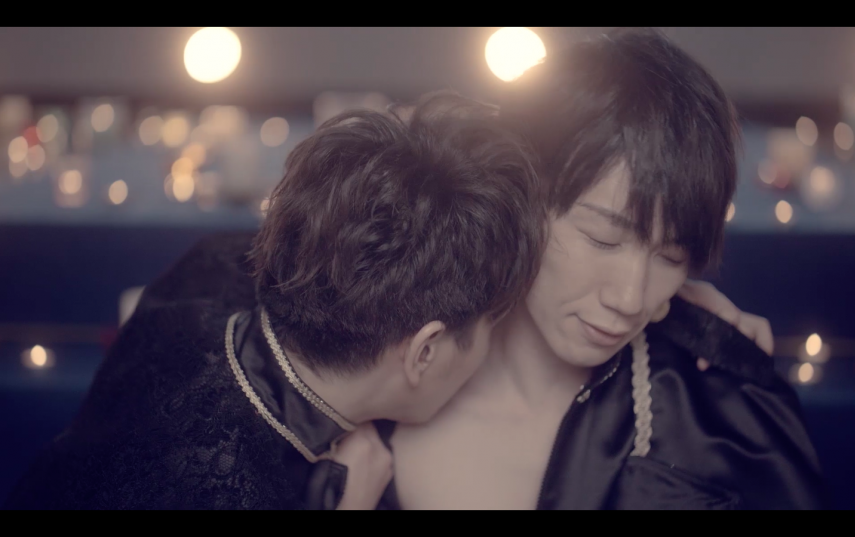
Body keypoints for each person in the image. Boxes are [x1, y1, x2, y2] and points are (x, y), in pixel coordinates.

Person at [3, 93, 548, 509]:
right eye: (492, 321)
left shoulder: (213, 266)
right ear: (424, 350)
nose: (491, 346)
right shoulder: (230, 488)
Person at [386, 28, 826, 510]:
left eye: (671, 257)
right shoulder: (383, 390)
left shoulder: (727, 419)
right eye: (603, 239)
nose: (630, 298)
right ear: (520, 197)